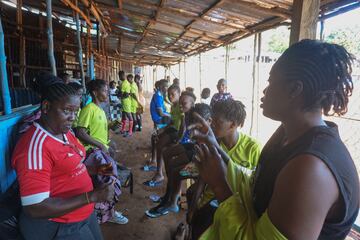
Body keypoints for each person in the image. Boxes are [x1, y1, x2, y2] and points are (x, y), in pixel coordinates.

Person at [191, 40, 359, 240]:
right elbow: (257, 186)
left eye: (271, 82)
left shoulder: (310, 168)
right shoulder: (287, 134)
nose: (264, 91)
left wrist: (219, 185)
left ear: (294, 90)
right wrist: (216, 148)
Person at [12, 74, 113, 240]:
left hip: (82, 212)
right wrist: (92, 196)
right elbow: (35, 207)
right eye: (66, 111)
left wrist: (98, 169)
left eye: (75, 112)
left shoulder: (63, 132)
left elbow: (71, 167)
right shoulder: (35, 148)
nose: (73, 118)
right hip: (60, 224)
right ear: (46, 107)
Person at [75, 79, 129, 225]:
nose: (107, 93)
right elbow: (80, 132)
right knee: (108, 179)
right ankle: (107, 213)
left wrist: (112, 125)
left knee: (105, 180)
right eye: (104, 90)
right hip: (93, 153)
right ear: (95, 92)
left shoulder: (100, 109)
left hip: (100, 151)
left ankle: (104, 211)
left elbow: (96, 129)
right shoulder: (88, 109)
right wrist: (100, 144)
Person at [145, 103, 211, 218]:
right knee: (173, 167)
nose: (195, 126)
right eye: (194, 122)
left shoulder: (211, 136)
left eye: (198, 123)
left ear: (209, 120)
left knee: (177, 172)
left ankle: (170, 201)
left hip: (204, 166)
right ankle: (170, 199)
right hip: (198, 157)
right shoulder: (198, 128)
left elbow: (204, 160)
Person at [143, 84, 182, 182]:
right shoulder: (173, 106)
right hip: (173, 129)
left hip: (178, 133)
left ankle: (159, 173)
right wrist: (162, 130)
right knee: (156, 137)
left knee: (160, 145)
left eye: (173, 94)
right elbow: (172, 121)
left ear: (179, 94)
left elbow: (183, 126)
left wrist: (179, 139)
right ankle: (156, 165)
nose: (170, 97)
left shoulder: (181, 107)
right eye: (169, 94)